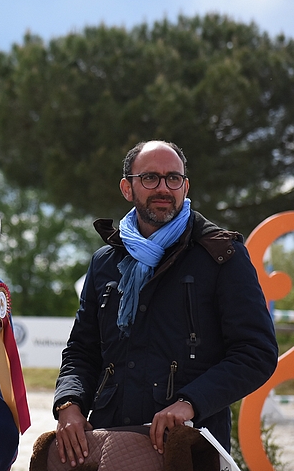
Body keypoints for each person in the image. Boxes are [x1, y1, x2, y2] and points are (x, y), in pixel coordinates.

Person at [53, 140, 277, 465]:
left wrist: (190, 402)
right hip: (109, 443)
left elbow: (256, 352)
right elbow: (82, 351)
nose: (163, 188)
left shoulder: (222, 256)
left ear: (185, 187)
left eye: (173, 178)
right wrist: (68, 404)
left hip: (189, 447)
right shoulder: (103, 262)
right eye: (150, 178)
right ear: (127, 188)